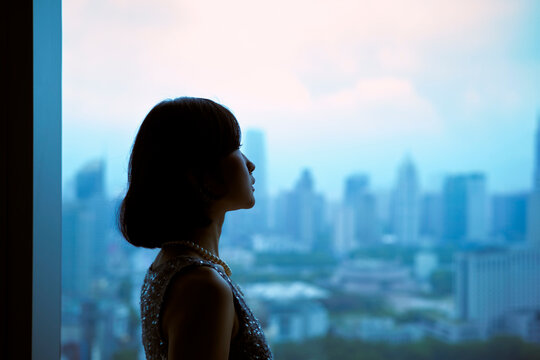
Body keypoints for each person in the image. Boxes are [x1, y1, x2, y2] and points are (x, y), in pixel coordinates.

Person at [118, 97, 273, 360]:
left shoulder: (169, 264)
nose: (249, 164)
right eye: (235, 147)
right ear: (202, 174)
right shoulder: (204, 287)